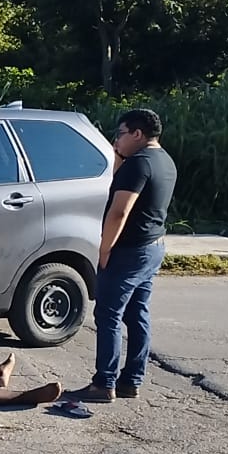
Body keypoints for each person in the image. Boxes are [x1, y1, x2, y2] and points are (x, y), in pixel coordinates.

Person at [70, 108, 177, 404]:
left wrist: (104, 249)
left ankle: (104, 383)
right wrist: (119, 154)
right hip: (152, 248)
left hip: (128, 251)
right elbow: (123, 182)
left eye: (120, 134)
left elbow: (120, 210)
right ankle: (132, 380)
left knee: (108, 316)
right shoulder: (163, 160)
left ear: (137, 134)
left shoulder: (139, 164)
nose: (116, 140)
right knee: (137, 314)